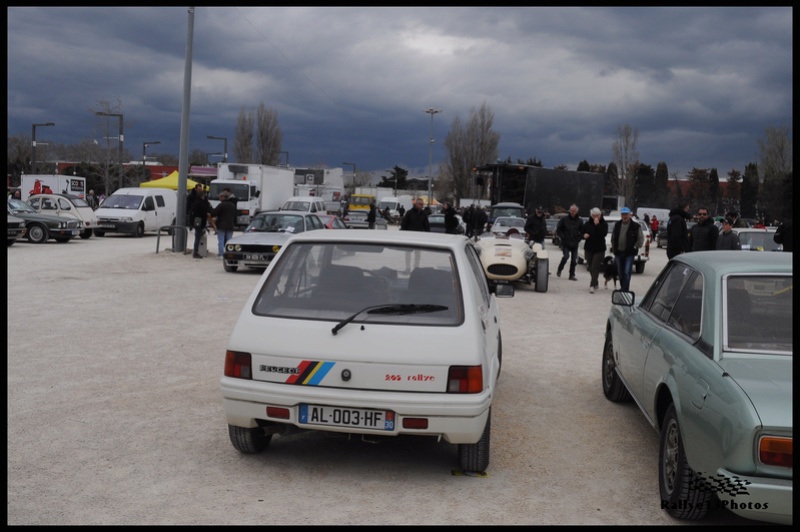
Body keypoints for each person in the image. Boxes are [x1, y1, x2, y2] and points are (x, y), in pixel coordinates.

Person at [610, 207, 644, 292]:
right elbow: (613, 237)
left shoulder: (636, 226)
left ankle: (625, 289)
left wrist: (635, 246)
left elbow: (640, 239)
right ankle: (623, 287)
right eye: (623, 214)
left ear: (630, 215)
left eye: (626, 214)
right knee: (620, 272)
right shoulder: (617, 225)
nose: (624, 216)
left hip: (629, 253)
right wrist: (614, 247)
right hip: (618, 252)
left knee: (627, 271)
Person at [581, 207, 608, 294]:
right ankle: (595, 281)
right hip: (589, 248)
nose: (596, 217)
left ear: (600, 215)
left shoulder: (604, 224)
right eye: (594, 215)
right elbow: (582, 232)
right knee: (590, 266)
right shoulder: (587, 224)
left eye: (598, 215)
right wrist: (583, 235)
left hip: (599, 249)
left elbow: (603, 234)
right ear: (591, 215)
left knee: (595, 266)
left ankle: (592, 285)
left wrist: (597, 225)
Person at [400, 197, 430, 272]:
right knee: (408, 253)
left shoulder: (423, 214)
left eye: (422, 204)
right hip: (409, 236)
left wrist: (428, 235)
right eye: (420, 204)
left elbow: (426, 225)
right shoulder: (409, 213)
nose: (421, 206)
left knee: (418, 254)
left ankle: (416, 267)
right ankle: (407, 267)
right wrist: (403, 233)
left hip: (419, 237)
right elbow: (404, 224)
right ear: (416, 204)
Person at [555, 204, 583, 281]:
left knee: (574, 260)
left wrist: (579, 238)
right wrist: (562, 237)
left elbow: (582, 231)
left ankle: (572, 275)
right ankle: (560, 269)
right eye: (571, 210)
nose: (572, 212)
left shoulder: (580, 221)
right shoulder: (564, 219)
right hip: (566, 242)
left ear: (577, 211)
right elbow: (558, 229)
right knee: (566, 257)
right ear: (569, 211)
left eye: (574, 211)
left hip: (575, 243)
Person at [188, 188, 216, 259]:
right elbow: (206, 211)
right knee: (198, 237)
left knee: (197, 236)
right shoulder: (202, 203)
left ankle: (196, 251)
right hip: (200, 222)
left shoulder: (195, 202)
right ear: (202, 196)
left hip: (196, 221)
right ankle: (196, 252)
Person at [212, 191, 237, 258]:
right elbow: (235, 215)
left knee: (221, 240)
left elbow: (214, 213)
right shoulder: (232, 205)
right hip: (230, 225)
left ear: (223, 197)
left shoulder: (221, 205)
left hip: (221, 225)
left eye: (220, 197)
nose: (219, 198)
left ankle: (221, 254)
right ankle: (229, 254)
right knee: (229, 240)